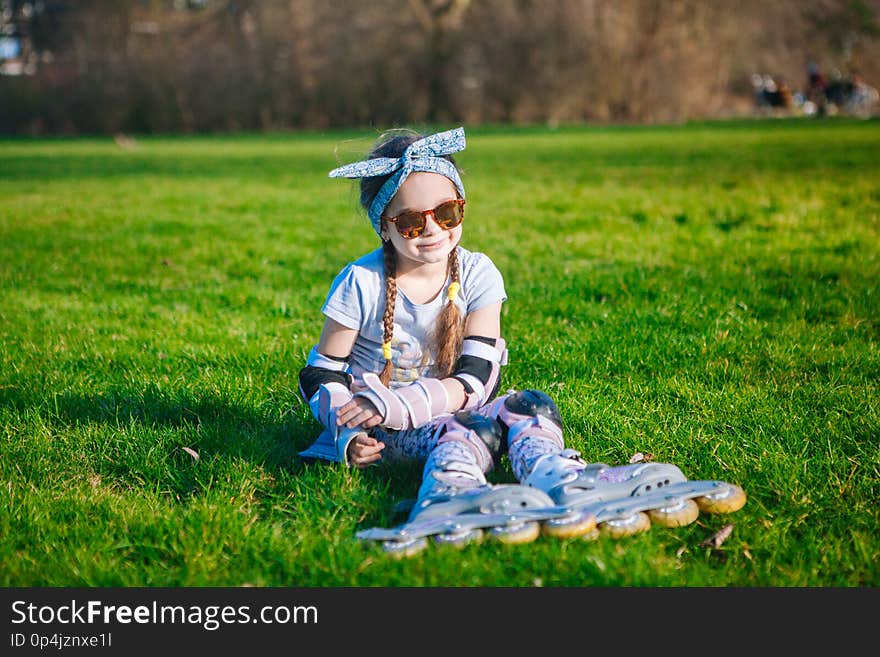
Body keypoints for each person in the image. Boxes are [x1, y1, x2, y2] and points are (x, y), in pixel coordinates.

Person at [296, 126, 594, 526]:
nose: (434, 230)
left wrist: (397, 401)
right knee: (467, 428)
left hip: (454, 403)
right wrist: (346, 434)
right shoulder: (360, 283)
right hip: (383, 427)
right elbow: (321, 373)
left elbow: (476, 379)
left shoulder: (478, 274)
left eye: (447, 212)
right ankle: (450, 493)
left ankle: (556, 477)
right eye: (411, 222)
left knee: (529, 406)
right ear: (384, 226)